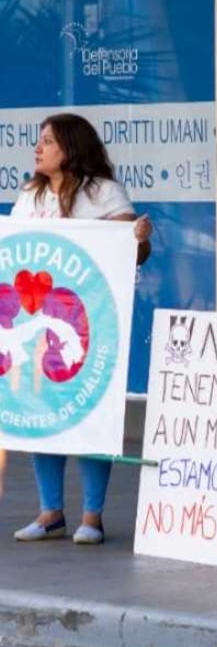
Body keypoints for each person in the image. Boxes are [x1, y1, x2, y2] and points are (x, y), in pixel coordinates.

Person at [9, 113, 152, 545]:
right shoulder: (30, 196)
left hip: (91, 322)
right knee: (43, 409)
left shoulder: (104, 192)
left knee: (93, 413)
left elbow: (134, 252)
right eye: (39, 141)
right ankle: (50, 512)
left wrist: (138, 236)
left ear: (70, 148)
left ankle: (93, 516)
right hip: (37, 323)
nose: (38, 148)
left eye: (48, 141)